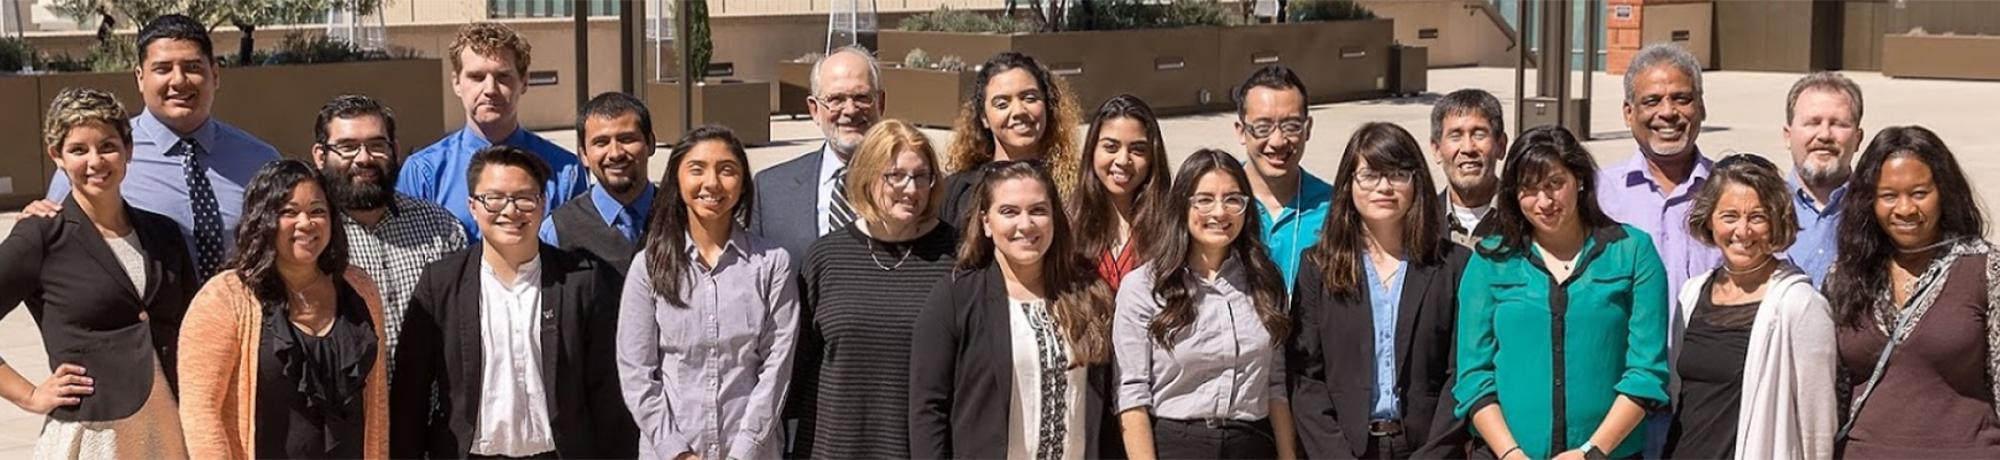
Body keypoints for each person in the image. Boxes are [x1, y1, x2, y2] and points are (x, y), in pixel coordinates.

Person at [388, 146, 636, 459]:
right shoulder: (441, 283)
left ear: (543, 204)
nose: (510, 210)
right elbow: (412, 390)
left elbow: (608, 391)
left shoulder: (581, 280)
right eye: (493, 198)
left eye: (524, 198)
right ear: (473, 206)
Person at [1456, 126, 1670, 460]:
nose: (1544, 202)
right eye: (1528, 188)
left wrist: (1591, 452)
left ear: (1580, 180)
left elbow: (1646, 372)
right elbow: (1474, 376)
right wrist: (1510, 454)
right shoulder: (1489, 261)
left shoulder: (1632, 251)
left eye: (1555, 184)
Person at [0, 88, 193, 458]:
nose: (95, 161)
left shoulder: (163, 233)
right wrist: (29, 395)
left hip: (170, 428)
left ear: (128, 151)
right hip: (93, 436)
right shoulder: (41, 234)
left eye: (107, 146)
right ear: (56, 156)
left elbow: (192, 324)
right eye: (78, 149)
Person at [32, 14, 282, 281]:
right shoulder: (97, 163)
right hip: (143, 320)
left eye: (193, 67)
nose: (179, 80)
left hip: (242, 318)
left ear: (215, 75)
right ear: (140, 78)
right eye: (163, 69)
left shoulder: (262, 162)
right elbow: (48, 261)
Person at [178, 160, 388, 458]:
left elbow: (376, 404)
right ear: (263, 220)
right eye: (289, 212)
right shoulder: (224, 298)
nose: (306, 223)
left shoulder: (360, 288)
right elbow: (201, 412)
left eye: (317, 211)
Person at [909, 160, 1117, 458]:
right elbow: (927, 410)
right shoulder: (956, 298)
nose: (1025, 224)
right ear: (986, 222)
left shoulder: (1088, 294)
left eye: (1038, 211)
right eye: (1009, 212)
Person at [617, 125, 798, 460]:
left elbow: (777, 367)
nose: (711, 183)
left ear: (743, 183)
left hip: (752, 451)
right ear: (676, 180)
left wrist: (744, 450)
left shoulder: (772, 264)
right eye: (696, 169)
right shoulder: (649, 266)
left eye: (727, 170)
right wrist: (677, 452)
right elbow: (636, 372)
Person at [1290, 122, 1468, 459]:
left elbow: (1460, 375)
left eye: (1398, 174)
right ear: (1348, 185)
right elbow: (1305, 378)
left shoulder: (1453, 266)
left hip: (1425, 447)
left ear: (1417, 182)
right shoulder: (1319, 267)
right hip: (1346, 447)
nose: (1384, 187)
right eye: (1370, 175)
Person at [784, 119, 958, 459]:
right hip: (833, 447)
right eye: (895, 176)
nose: (910, 188)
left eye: (922, 176)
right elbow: (799, 366)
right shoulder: (826, 257)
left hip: (920, 449)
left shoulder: (956, 256)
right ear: (866, 176)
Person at [1827, 126, 2000, 458]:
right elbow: (1834, 390)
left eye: (1920, 193)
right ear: (1869, 201)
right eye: (1889, 196)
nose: (1905, 209)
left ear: (1944, 193)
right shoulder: (1845, 275)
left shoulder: (1985, 269)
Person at [1114, 149, 1297, 459]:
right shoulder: (1143, 287)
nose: (1219, 212)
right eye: (1204, 199)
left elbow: (1275, 385)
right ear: (1181, 206)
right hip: (1176, 444)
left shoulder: (1265, 280)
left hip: (1252, 443)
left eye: (1232, 199)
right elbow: (1131, 395)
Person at [1664, 153, 1836, 459]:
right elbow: (1680, 396)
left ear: (1776, 221)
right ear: (1710, 219)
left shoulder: (1799, 305)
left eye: (1757, 217)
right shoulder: (1691, 295)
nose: (1742, 231)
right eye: (1729, 216)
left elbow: (1817, 426)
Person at [1601, 44, 1721, 453]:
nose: (1667, 112)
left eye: (1681, 98)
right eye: (1651, 100)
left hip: (1713, 410)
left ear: (1701, 107)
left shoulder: (1733, 194)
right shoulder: (1600, 197)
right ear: (1628, 113)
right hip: (1623, 413)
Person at [309, 95, 467, 375]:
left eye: (376, 145)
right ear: (321, 156)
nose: (364, 158)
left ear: (394, 150)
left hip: (429, 410)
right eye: (347, 147)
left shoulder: (440, 227)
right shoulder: (308, 236)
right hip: (347, 411)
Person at [397, 22, 589, 240]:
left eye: (503, 77)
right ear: (456, 83)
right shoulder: (424, 173)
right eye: (477, 77)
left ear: (524, 81)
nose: (490, 90)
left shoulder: (565, 172)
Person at [753, 45, 885, 265]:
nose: (850, 110)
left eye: (862, 97)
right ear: (814, 110)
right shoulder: (770, 191)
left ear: (881, 103)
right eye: (836, 99)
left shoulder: (915, 186)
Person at [938, 51, 1084, 228]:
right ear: (984, 117)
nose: (1019, 111)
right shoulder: (955, 194)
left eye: (1030, 98)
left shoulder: (1076, 192)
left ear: (1048, 106)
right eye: (1002, 104)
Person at [1233, 65, 1332, 293]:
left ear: (1308, 129)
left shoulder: (1335, 208)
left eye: (1291, 126)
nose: (1277, 141)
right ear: (1240, 131)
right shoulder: (1214, 201)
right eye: (1262, 127)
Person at [541, 92, 657, 278]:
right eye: (601, 142)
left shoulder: (684, 216)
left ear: (650, 144)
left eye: (627, 139)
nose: (615, 153)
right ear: (584, 155)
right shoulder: (558, 231)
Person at [1068, 94, 1171, 292]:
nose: (1123, 160)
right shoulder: (1068, 224)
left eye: (1138, 150)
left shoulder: (1172, 227)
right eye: (1111, 147)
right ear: (1092, 150)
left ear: (1153, 157)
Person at [1780, 72, 1865, 287]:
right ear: (1787, 136)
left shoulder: (1876, 210)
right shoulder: (1762, 209)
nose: (1825, 135)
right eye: (1812, 122)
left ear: (1858, 139)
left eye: (1839, 124)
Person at [1428, 89, 1507, 248]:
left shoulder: (1526, 219)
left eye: (1479, 134)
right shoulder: (1422, 223)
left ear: (1501, 146)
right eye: (1455, 136)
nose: (1468, 148)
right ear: (1437, 150)